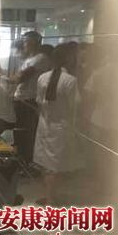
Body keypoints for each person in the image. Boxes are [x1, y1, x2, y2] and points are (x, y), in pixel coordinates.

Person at [34, 43, 81, 204]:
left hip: (44, 124)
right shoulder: (70, 81)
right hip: (61, 127)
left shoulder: (42, 78)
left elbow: (39, 102)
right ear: (68, 59)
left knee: (45, 163)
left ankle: (48, 196)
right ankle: (51, 198)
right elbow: (75, 106)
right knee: (55, 165)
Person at [11, 31, 51, 166]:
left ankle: (27, 160)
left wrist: (16, 77)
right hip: (21, 99)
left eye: (26, 41)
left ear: (34, 43)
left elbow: (19, 77)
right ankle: (20, 157)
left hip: (29, 100)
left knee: (27, 132)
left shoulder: (41, 59)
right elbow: (16, 77)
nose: (23, 45)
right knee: (20, 131)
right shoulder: (28, 59)